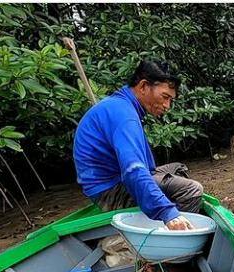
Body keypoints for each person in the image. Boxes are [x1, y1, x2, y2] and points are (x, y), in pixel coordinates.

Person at [73, 60, 203, 230]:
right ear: (143, 86)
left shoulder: (120, 106)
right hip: (110, 191)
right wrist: (168, 213)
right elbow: (133, 170)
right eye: (165, 97)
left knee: (177, 169)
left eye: (171, 100)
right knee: (192, 190)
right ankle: (171, 250)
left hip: (112, 181)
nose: (167, 106)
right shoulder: (125, 115)